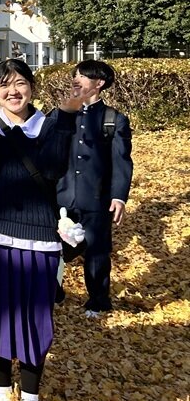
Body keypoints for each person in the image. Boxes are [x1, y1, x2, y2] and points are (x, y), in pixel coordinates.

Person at [0, 59, 82, 401]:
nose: (13, 91)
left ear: (32, 87)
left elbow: (54, 168)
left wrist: (67, 116)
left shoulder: (50, 125)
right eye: (4, 85)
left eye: (20, 83)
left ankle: (30, 400)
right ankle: (1, 395)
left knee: (33, 320)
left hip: (38, 239)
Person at [56, 60, 133, 317]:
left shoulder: (113, 119)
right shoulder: (61, 113)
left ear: (99, 83)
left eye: (83, 76)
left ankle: (98, 301)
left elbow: (121, 161)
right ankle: (53, 292)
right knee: (53, 247)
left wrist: (119, 197)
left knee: (97, 250)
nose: (76, 79)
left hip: (97, 198)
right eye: (75, 75)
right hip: (61, 195)